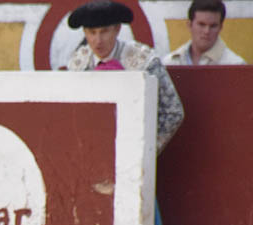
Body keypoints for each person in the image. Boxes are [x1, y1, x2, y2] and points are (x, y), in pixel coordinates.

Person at [66, 1, 184, 154]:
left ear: (117, 29)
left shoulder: (143, 60)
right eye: (91, 32)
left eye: (104, 31)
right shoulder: (77, 64)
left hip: (132, 152)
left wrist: (143, 151)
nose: (98, 40)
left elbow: (172, 112)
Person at [166, 0, 246, 65]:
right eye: (201, 24)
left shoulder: (235, 64)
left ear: (220, 27)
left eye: (213, 26)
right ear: (190, 25)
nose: (207, 31)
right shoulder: (170, 62)